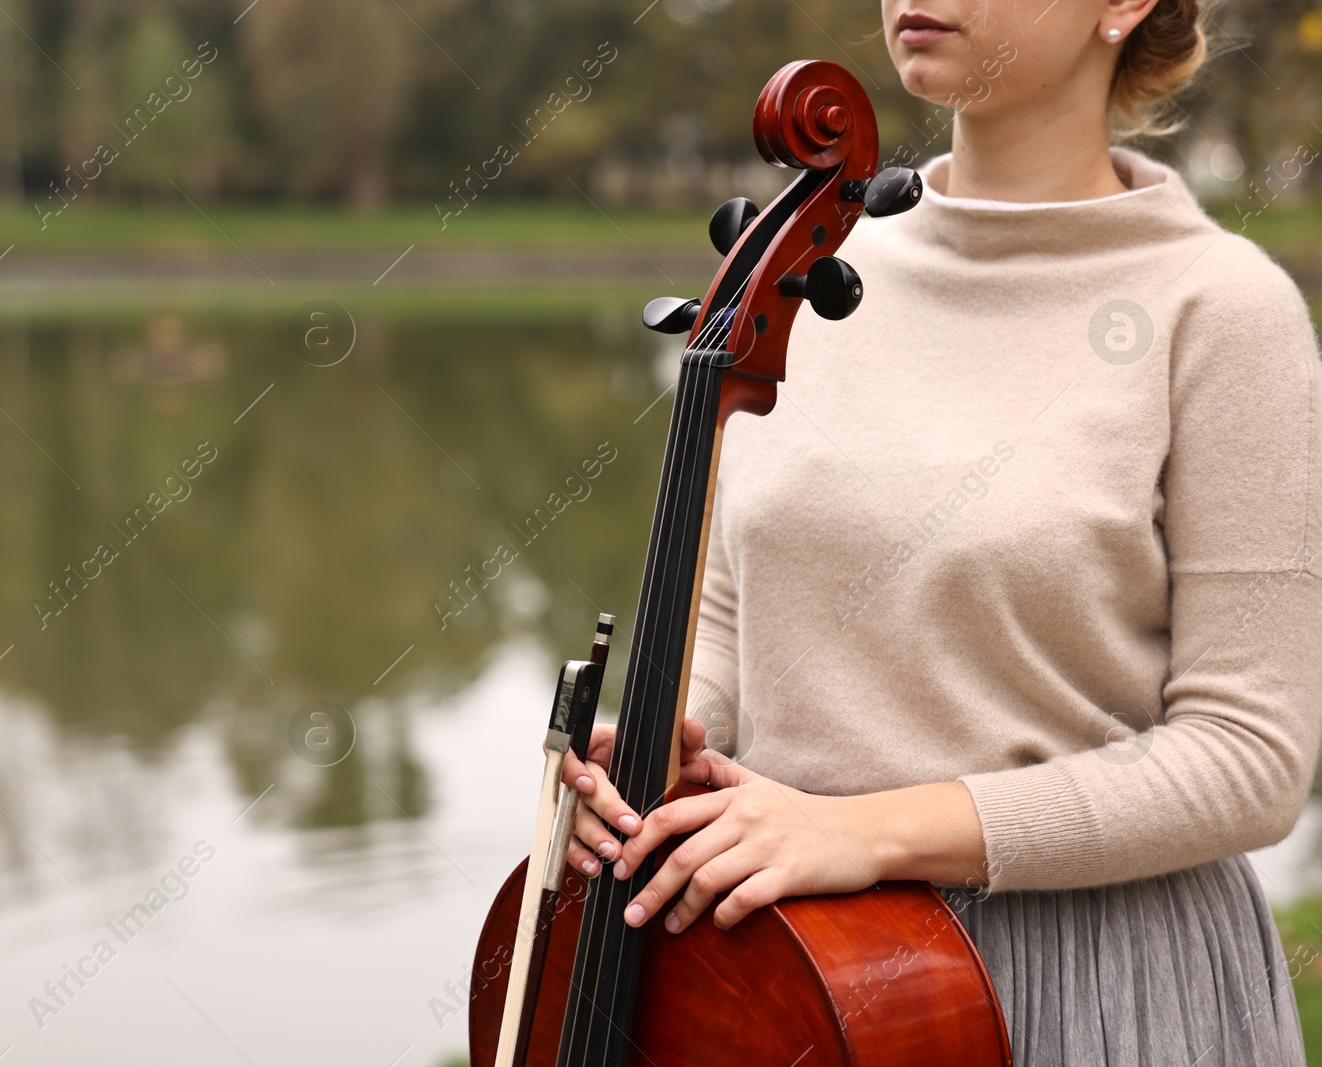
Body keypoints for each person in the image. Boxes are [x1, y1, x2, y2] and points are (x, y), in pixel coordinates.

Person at [559, 1, 1322, 1063]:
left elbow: (1248, 757)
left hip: (1088, 984)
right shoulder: (809, 277)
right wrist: (662, 741)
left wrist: (863, 829)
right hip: (787, 974)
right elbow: (733, 612)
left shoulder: (1222, 311)